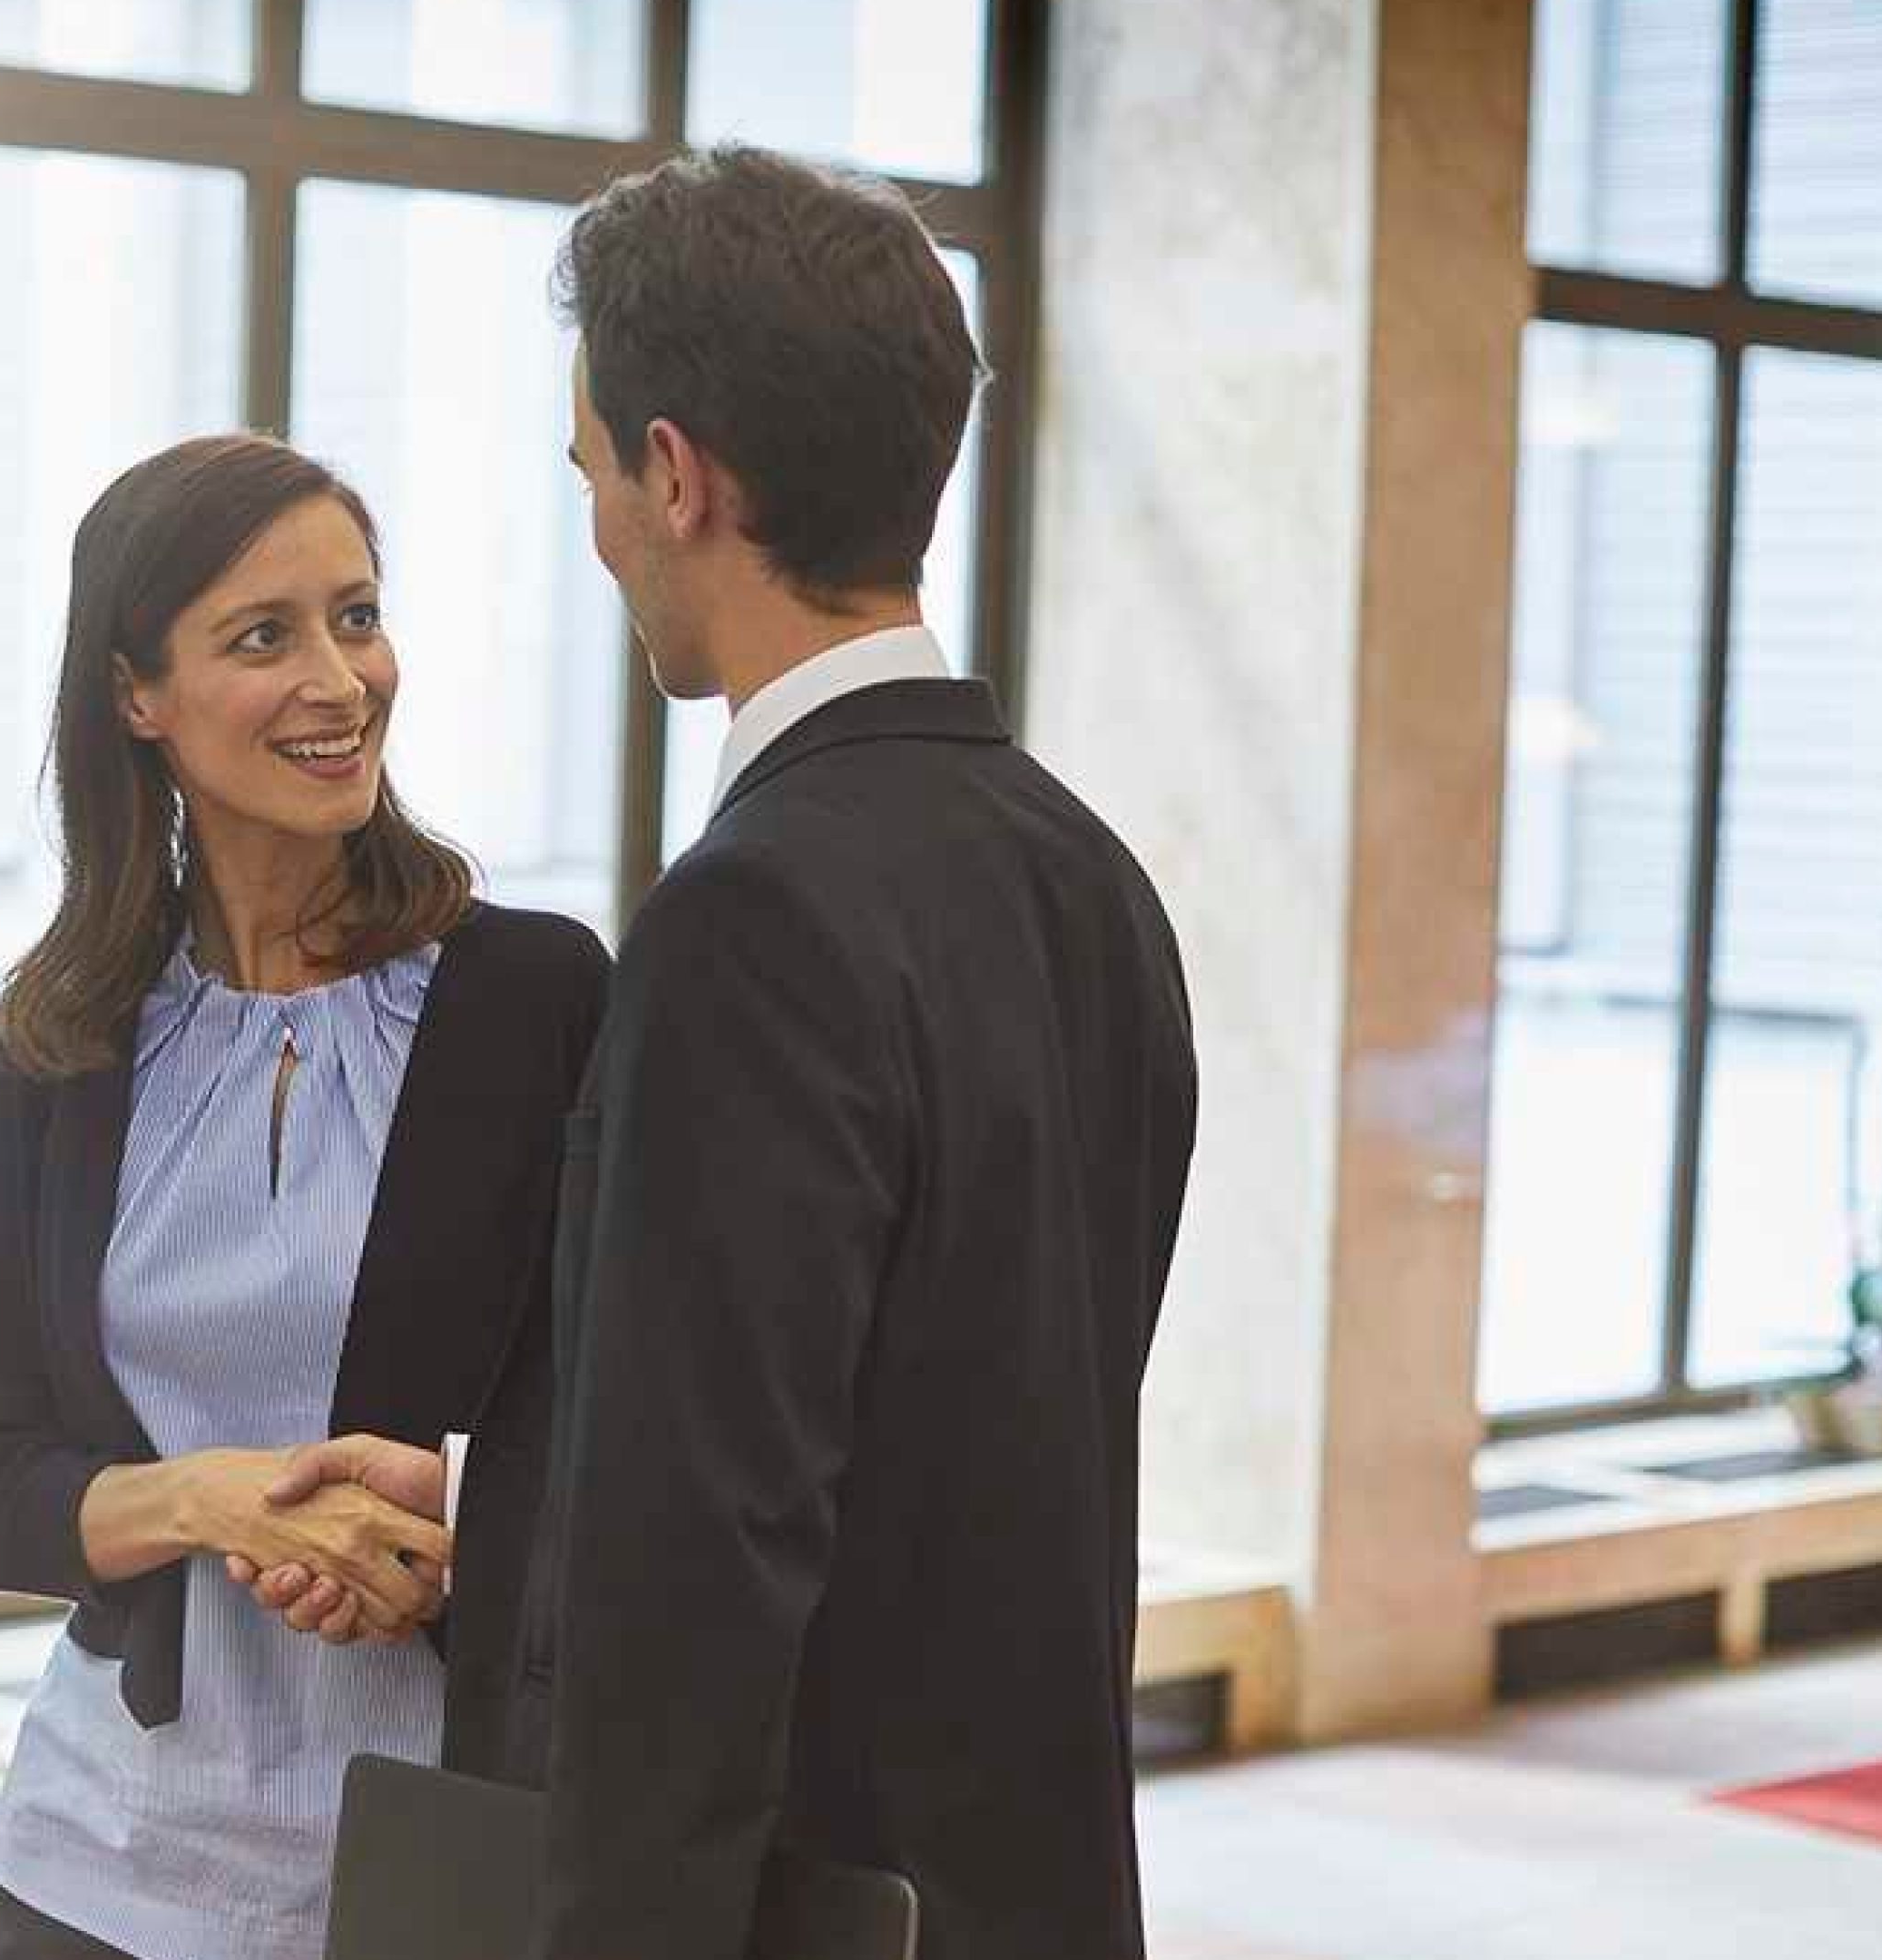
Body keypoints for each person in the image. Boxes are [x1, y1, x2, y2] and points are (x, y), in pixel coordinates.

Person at [254, 148, 1200, 1960]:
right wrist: (516, 1493)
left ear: (676, 476)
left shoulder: (749, 920)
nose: (601, 524)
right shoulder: (1092, 880)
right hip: (1025, 1885)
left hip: (798, 1898)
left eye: (598, 470)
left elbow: (706, 1563)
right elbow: (948, 1424)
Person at [0, 433, 610, 1960]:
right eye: (265, 637)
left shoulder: (537, 999)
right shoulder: (60, 1037)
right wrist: (204, 1497)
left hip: (429, 1873)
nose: (340, 678)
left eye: (357, 617)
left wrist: (456, 1533)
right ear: (136, 697)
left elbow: (627, 1423)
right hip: (89, 1866)